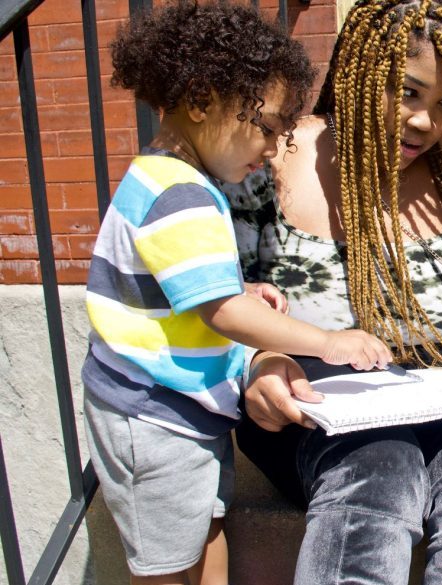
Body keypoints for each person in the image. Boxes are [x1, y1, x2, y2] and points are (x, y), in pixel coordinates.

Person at [223, 0, 442, 583]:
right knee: (378, 476)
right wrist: (255, 361)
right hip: (317, 395)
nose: (424, 123)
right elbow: (210, 302)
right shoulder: (272, 158)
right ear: (360, 71)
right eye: (407, 93)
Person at [80, 3, 393, 584]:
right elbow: (222, 312)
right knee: (167, 566)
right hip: (154, 418)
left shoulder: (161, 175)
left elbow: (177, 280)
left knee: (208, 526)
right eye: (267, 127)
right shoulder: (185, 197)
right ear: (201, 102)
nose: (274, 149)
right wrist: (326, 340)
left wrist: (239, 284)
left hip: (173, 408)